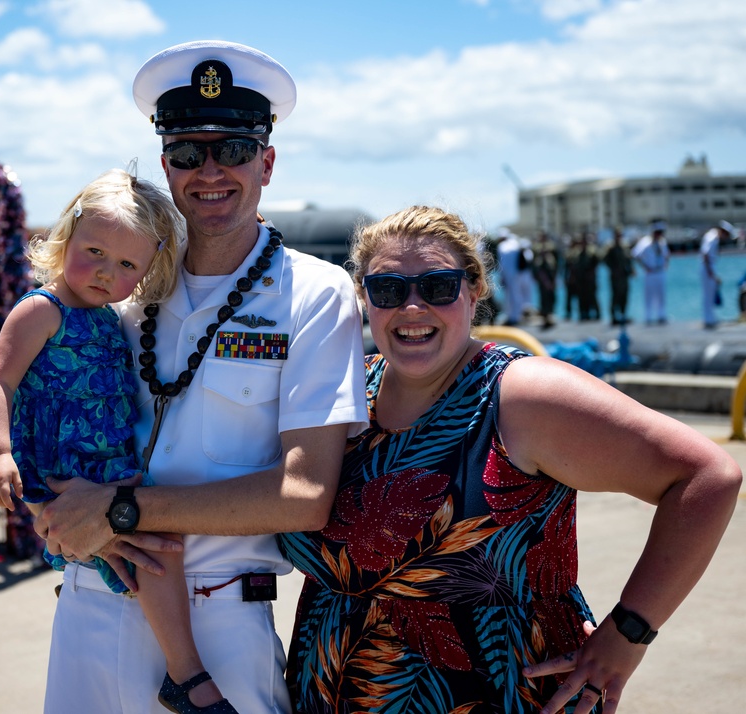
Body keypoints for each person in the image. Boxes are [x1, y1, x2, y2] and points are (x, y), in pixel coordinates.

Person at [276, 205, 741, 714]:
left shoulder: (521, 396)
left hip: (496, 692)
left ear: (474, 292)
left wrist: (628, 633)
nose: (412, 307)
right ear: (364, 299)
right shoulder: (344, 393)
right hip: (330, 689)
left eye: (437, 286)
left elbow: (706, 477)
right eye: (388, 289)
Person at [34, 41, 367, 714]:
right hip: (89, 608)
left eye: (235, 150)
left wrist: (120, 509)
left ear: (266, 162)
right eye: (188, 153)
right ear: (166, 165)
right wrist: (49, 505)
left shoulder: (314, 293)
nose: (210, 170)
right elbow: (39, 408)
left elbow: (304, 494)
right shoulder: (118, 285)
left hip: (219, 625)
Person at [0, 170, 248, 711]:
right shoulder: (41, 310)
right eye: (94, 251)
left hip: (107, 465)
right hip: (64, 467)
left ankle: (175, 664)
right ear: (65, 238)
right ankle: (186, 673)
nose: (106, 273)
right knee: (150, 545)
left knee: (150, 545)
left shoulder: (111, 318)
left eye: (127, 265)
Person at [631, 220, 670, 325]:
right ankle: (648, 317)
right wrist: (644, 266)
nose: (659, 234)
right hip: (650, 272)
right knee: (649, 296)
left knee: (661, 295)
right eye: (657, 232)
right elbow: (635, 255)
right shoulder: (645, 242)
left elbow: (666, 255)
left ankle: (661, 316)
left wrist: (666, 264)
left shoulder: (662, 242)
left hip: (660, 271)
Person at [700, 220, 733, 329]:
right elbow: (705, 254)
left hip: (709, 267)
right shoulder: (712, 238)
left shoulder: (713, 237)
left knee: (710, 294)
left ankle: (710, 318)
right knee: (708, 295)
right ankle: (708, 319)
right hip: (707, 268)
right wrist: (711, 272)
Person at [602, 227, 634, 326]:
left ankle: (623, 315)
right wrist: (613, 269)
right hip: (615, 277)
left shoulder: (625, 246)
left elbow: (628, 259)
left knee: (624, 296)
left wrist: (631, 270)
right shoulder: (610, 247)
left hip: (624, 276)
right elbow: (604, 260)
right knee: (615, 296)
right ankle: (613, 317)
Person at [530, 230, 558, 329]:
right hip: (542, 277)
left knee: (551, 297)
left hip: (550, 276)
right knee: (543, 296)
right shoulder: (536, 249)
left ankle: (550, 314)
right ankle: (545, 315)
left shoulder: (552, 248)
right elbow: (534, 265)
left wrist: (554, 278)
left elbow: (556, 264)